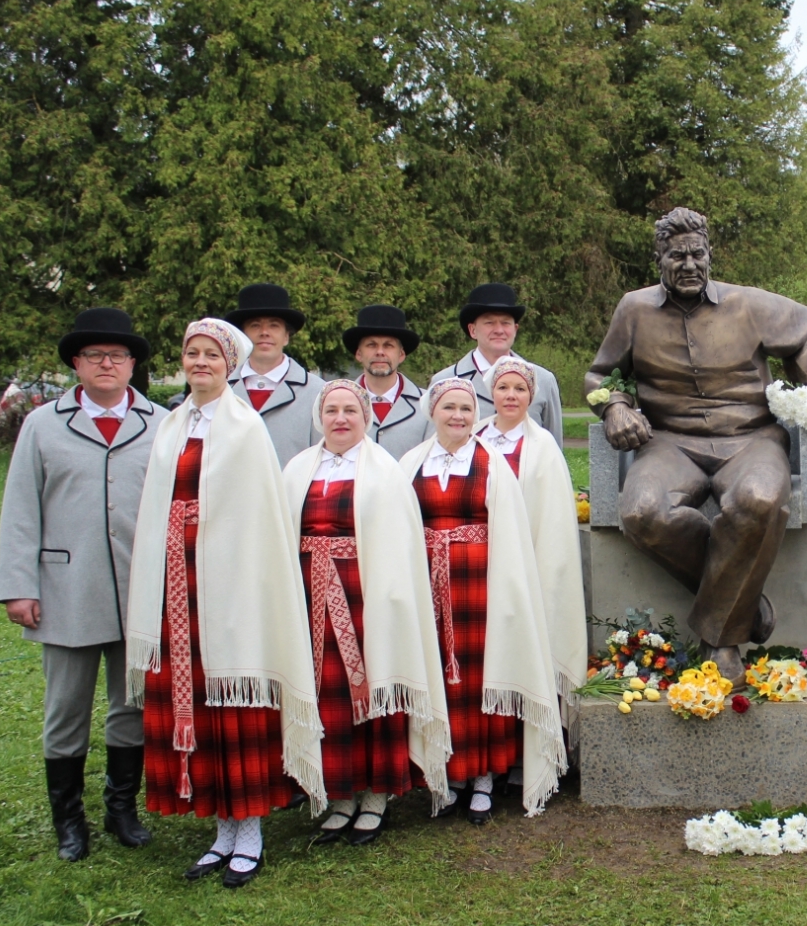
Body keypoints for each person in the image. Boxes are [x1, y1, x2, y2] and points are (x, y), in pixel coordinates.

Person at [124, 319, 325, 887]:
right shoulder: (171, 425)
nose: (201, 363)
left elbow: (255, 521)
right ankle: (220, 830)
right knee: (196, 711)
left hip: (230, 589)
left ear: (230, 364)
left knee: (234, 703)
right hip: (175, 587)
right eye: (193, 354)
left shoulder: (244, 429)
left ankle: (250, 829)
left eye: (213, 355)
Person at [585, 207, 807, 674]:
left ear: (710, 255)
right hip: (670, 442)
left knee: (759, 499)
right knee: (641, 511)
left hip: (751, 438)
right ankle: (745, 601)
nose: (690, 265)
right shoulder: (634, 309)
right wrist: (614, 405)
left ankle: (722, 643)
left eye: (698, 254)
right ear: (659, 258)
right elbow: (599, 372)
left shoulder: (749, 304)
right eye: (678, 256)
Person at [0, 308, 168, 861]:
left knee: (130, 704)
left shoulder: (161, 424)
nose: (107, 364)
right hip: (68, 586)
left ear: (133, 364)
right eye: (95, 356)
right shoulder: (43, 424)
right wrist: (19, 585)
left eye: (117, 356)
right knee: (66, 708)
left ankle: (122, 808)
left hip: (138, 590)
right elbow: (21, 509)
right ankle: (68, 819)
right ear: (77, 363)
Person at [283, 380, 452, 845]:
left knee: (375, 689)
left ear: (365, 418)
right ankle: (340, 797)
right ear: (320, 417)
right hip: (309, 595)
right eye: (332, 410)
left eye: (350, 411)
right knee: (327, 696)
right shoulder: (298, 469)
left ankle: (376, 796)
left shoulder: (384, 472)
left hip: (368, 596)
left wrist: (390, 601)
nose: (340, 419)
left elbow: (398, 546)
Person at [400, 378, 566, 822]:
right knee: (441, 676)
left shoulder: (492, 464)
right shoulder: (411, 463)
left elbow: (510, 534)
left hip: (481, 584)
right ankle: (450, 771)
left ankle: (483, 779)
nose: (458, 416)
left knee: (480, 677)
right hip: (430, 585)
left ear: (476, 416)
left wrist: (509, 594)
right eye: (449, 407)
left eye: (466, 409)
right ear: (433, 411)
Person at [473, 359, 588, 711]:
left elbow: (553, 520)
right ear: (491, 392)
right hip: (479, 561)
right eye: (503, 387)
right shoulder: (472, 437)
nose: (510, 395)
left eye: (519, 389)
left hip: (528, 564)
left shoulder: (543, 446)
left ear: (531, 395)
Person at [429, 283, 562, 436]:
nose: (499, 330)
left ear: (515, 329)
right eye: (489, 323)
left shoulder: (543, 380)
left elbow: (554, 448)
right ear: (472, 330)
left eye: (505, 323)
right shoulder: (444, 381)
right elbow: (434, 447)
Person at [226, 283, 326, 466]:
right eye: (255, 325)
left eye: (274, 326)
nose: (264, 333)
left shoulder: (317, 392)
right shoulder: (221, 389)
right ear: (243, 335)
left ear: (286, 336)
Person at [343, 304, 429, 455]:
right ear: (358, 354)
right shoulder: (337, 404)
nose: (380, 352)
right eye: (371, 345)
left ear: (401, 355)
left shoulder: (427, 405)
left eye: (388, 345)